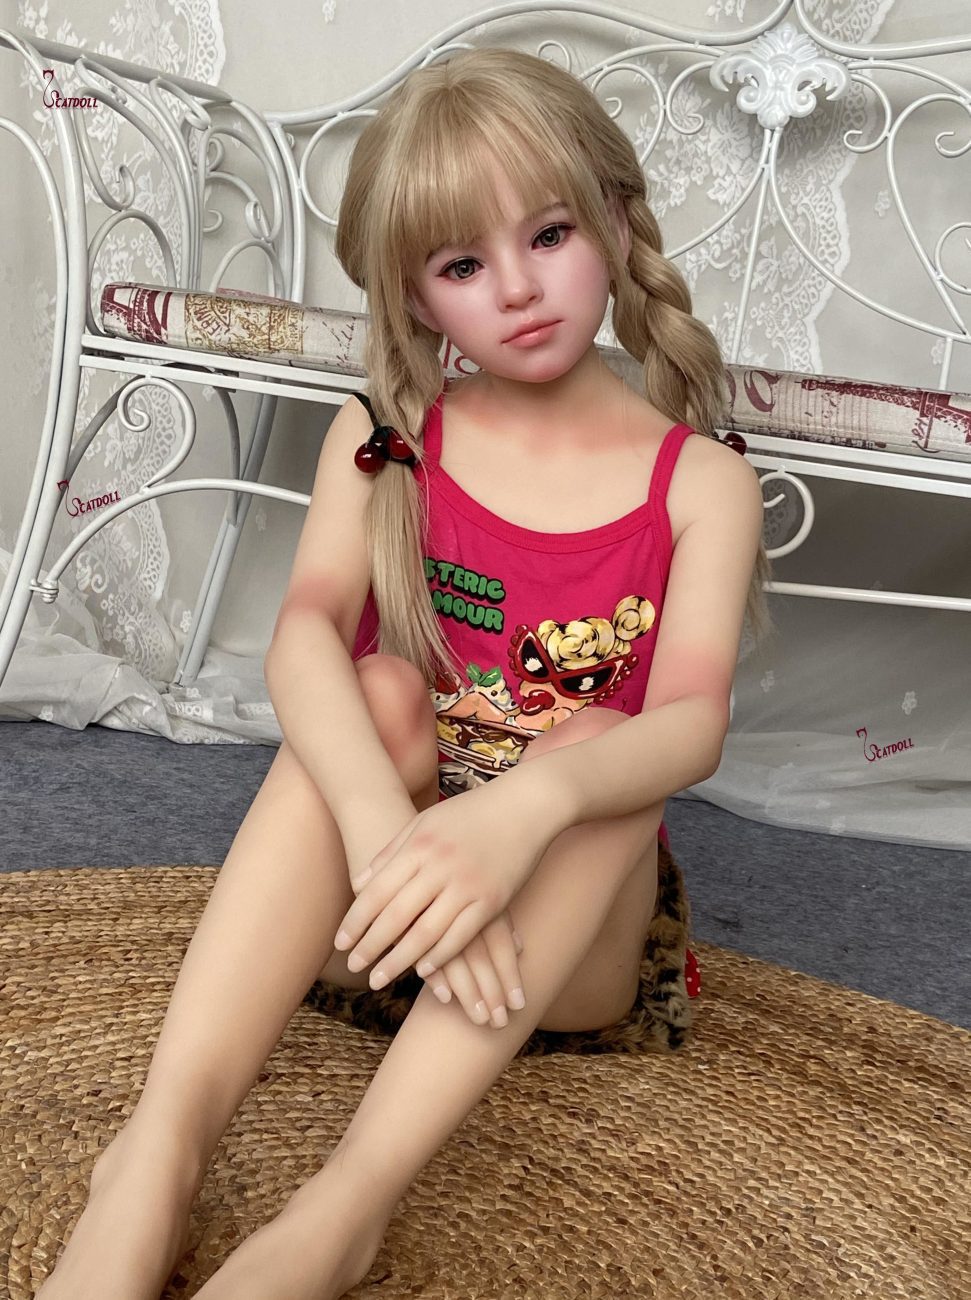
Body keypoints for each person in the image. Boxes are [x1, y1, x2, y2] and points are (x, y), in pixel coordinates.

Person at [35, 46, 773, 1300]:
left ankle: (344, 1209)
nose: (518, 288)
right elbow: (300, 635)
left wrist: (524, 809)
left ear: (615, 221)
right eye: (461, 264)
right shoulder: (388, 436)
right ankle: (155, 1152)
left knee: (599, 743)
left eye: (548, 234)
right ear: (416, 294)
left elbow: (693, 720)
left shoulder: (699, 483)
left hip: (557, 957)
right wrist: (388, 835)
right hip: (379, 911)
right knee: (374, 688)